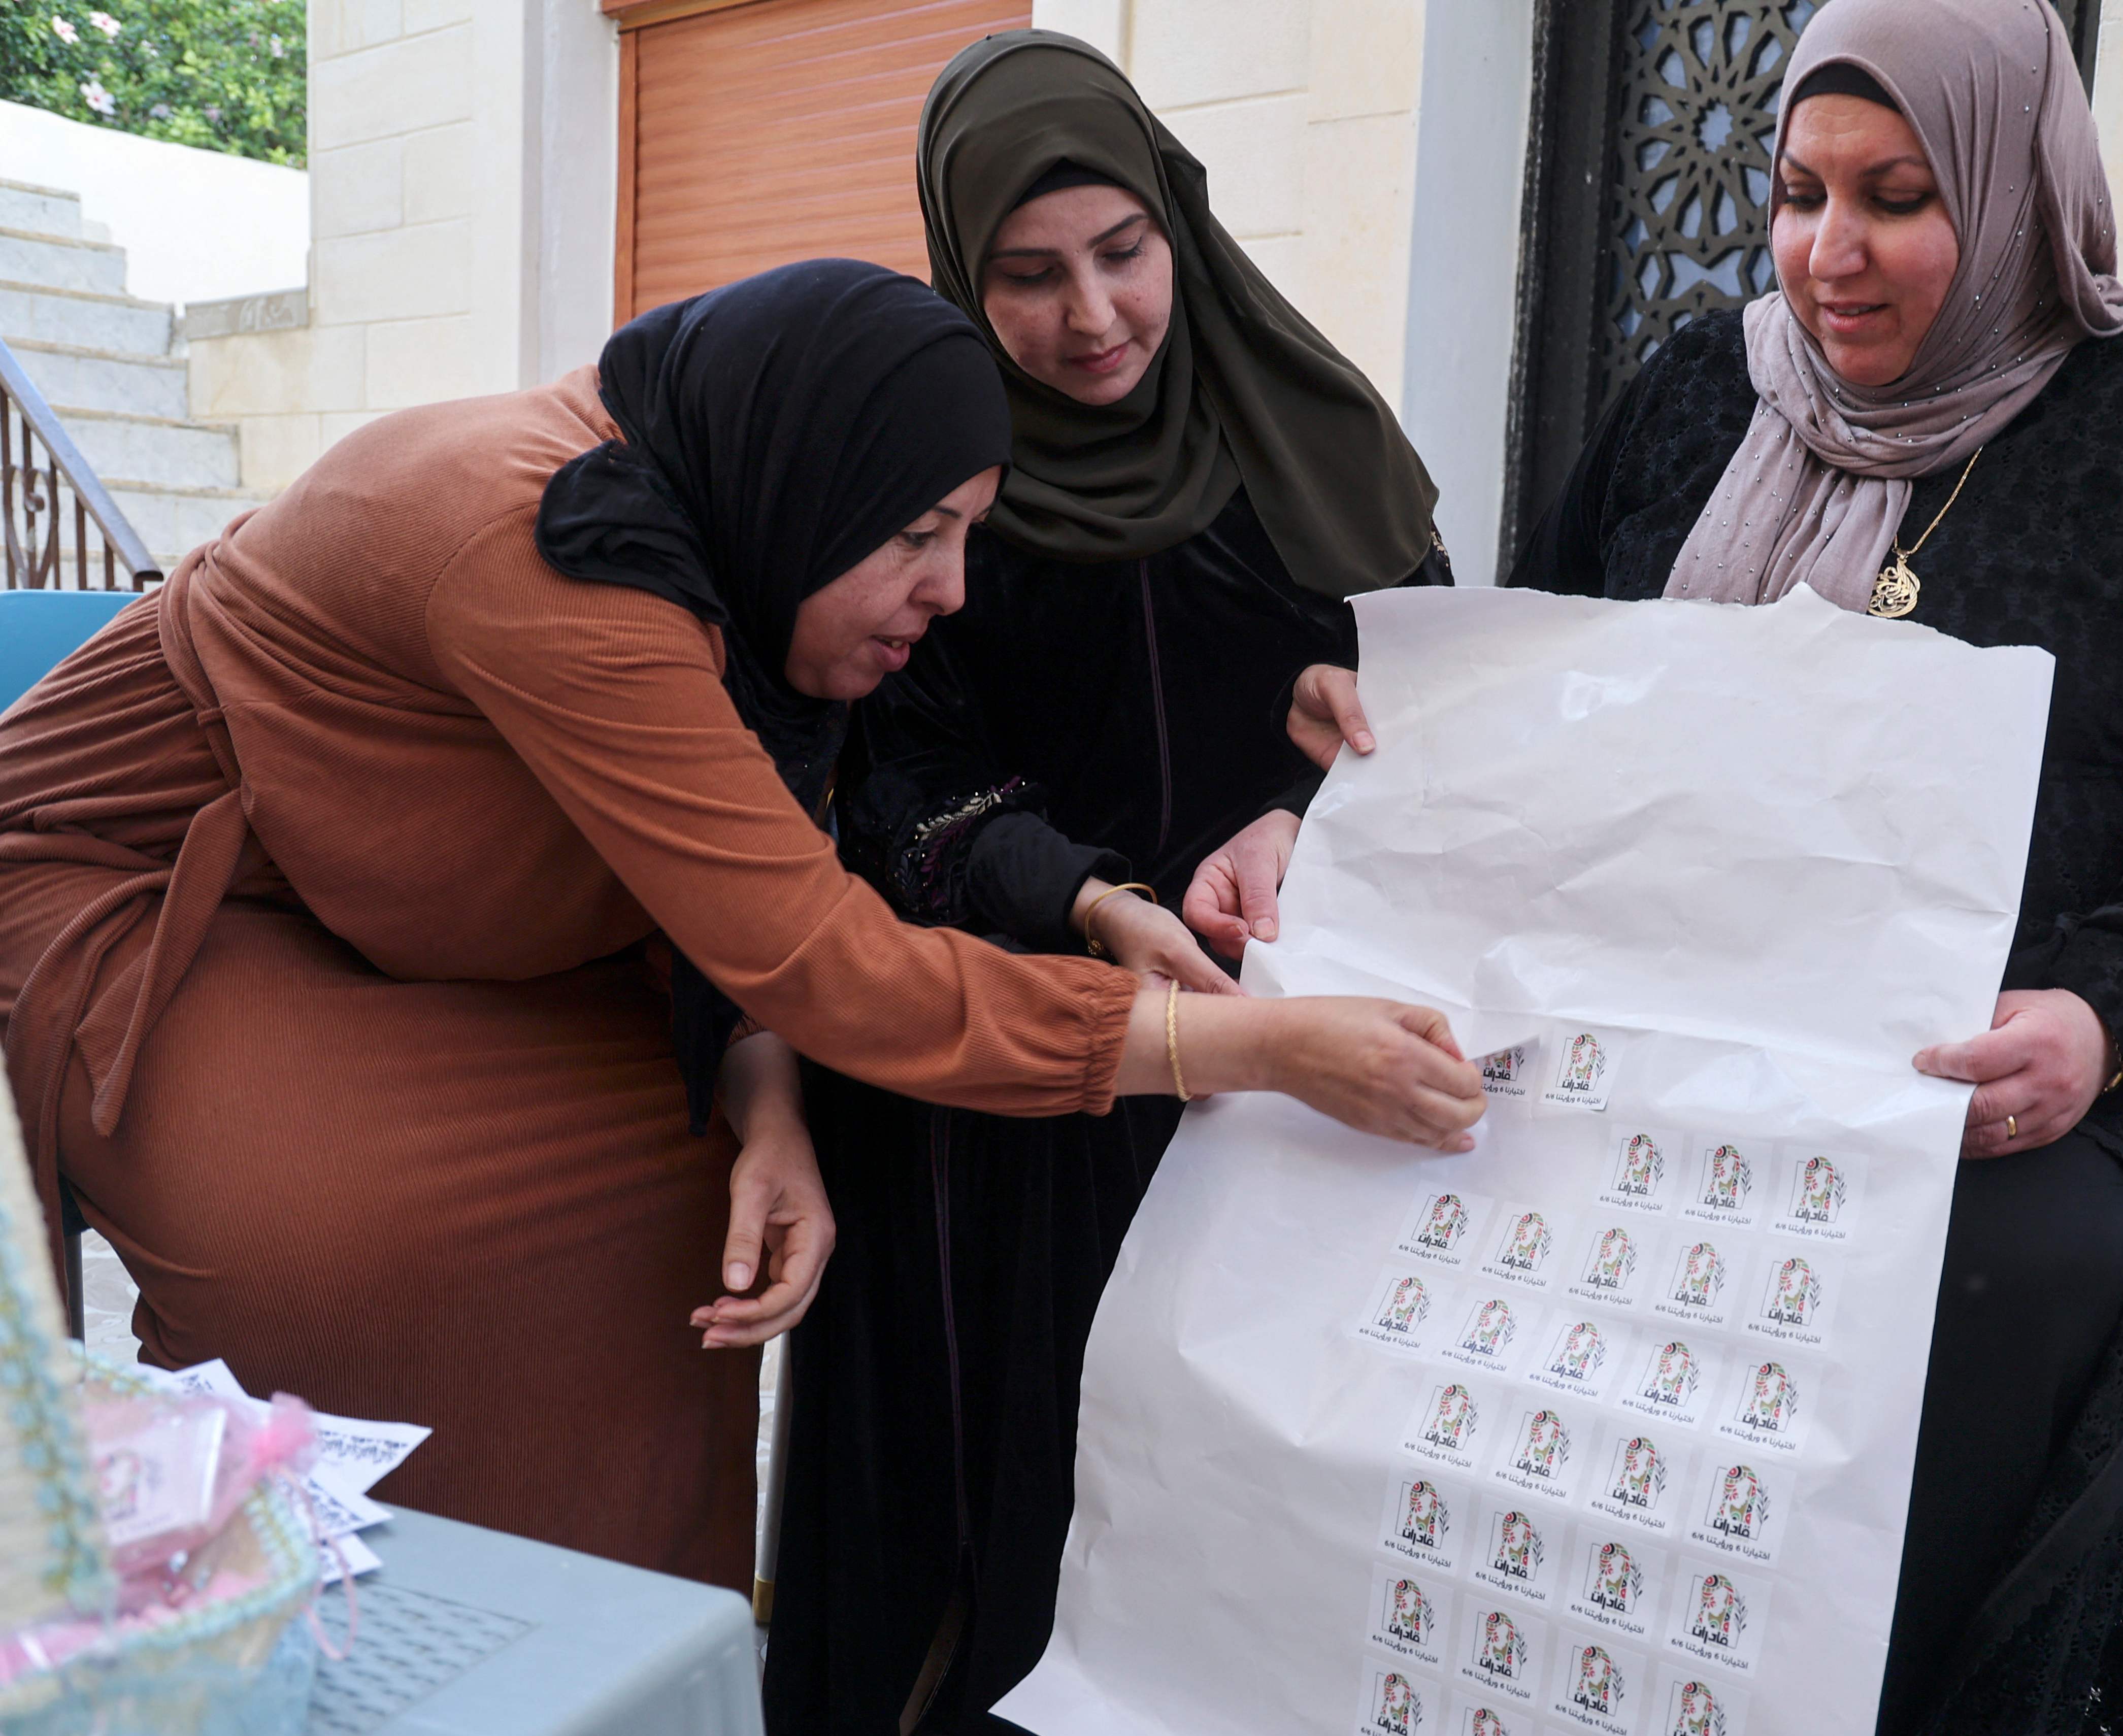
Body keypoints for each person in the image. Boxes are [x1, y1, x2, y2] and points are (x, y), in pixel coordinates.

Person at [1262, 2, 2123, 1736]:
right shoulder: (1703, 393)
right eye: (1796, 194)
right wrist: (1368, 767)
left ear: (2023, 192)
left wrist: (2112, 1012)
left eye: (1900, 197)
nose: (1829, 253)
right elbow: (1554, 694)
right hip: (1667, 1050)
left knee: (1967, 1287)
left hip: (2013, 1088)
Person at [0, 258, 1481, 1598]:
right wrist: (1260, 1044)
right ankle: (348, 1666)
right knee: (355, 1240)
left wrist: (766, 1111)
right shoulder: (560, 556)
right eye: (914, 533)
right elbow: (827, 958)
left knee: (676, 1184)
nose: (951, 590)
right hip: (124, 891)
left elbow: (741, 898)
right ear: (809, 478)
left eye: (968, 534)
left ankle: (611, 1694)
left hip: (400, 916)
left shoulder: (722, 538)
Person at [757, 34, 1446, 1736]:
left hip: (1269, 1029)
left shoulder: (1306, 436)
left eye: (1122, 253)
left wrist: (1319, 787)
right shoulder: (930, 463)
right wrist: (1072, 889)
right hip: (1007, 1032)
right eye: (1028, 275)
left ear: (1180, 230)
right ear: (959, 275)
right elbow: (889, 770)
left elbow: (1439, 714)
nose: (1091, 318)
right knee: (1004, 1426)